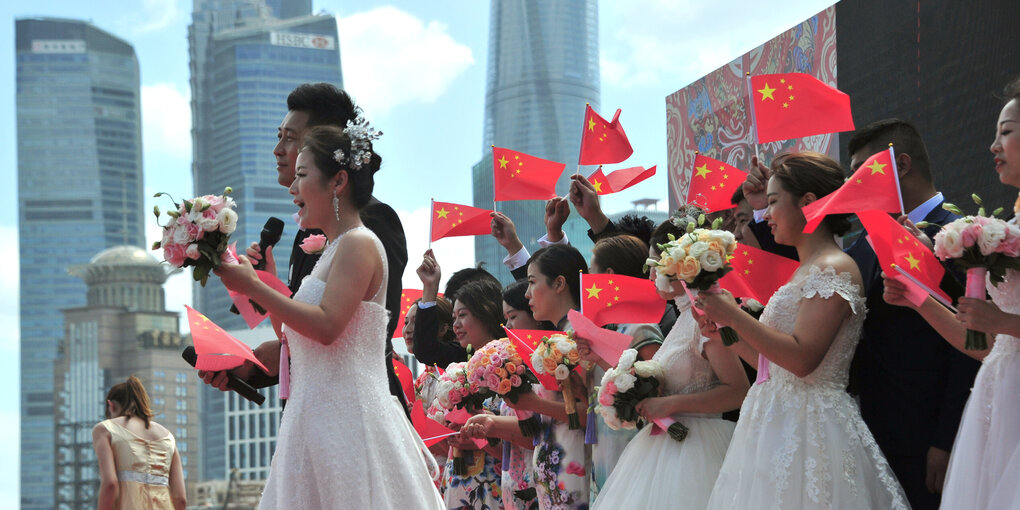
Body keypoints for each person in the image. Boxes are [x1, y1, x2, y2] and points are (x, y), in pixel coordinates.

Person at [215, 123, 443, 508]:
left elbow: (326, 327)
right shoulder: (336, 250)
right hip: (313, 424)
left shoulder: (359, 242)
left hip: (349, 424)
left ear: (338, 181)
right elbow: (293, 337)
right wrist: (266, 278)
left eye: (302, 176)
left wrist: (255, 286)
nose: (292, 188)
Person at [696, 152, 908, 509]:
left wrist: (734, 317)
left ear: (808, 203)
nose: (765, 215)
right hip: (773, 424)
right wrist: (724, 332)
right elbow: (771, 365)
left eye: (774, 203)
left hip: (813, 429)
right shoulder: (806, 268)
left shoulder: (834, 267)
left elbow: (802, 359)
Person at [206, 83, 409, 413]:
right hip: (309, 409)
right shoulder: (308, 231)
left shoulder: (372, 223)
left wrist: (255, 287)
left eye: (289, 138)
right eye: (279, 135)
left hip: (354, 411)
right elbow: (293, 334)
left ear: (324, 146)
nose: (278, 150)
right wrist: (247, 364)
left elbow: (363, 335)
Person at [882, 80, 1020, 510]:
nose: (993, 144)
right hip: (999, 398)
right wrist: (917, 296)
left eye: (1007, 131)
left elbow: (1001, 328)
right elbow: (986, 345)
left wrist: (1003, 323)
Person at [843, 118, 979, 509]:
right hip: (872, 432)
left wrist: (946, 438)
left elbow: (972, 345)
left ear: (901, 165)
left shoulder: (968, 238)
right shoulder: (862, 246)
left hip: (931, 439)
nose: (853, 187)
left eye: (862, 173)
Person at [591, 218, 748, 510]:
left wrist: (668, 404)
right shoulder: (683, 319)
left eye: (655, 263)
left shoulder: (705, 317)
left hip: (698, 448)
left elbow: (737, 390)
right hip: (665, 445)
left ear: (679, 264)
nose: (650, 274)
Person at [506, 244, 591, 510]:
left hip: (574, 470)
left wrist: (532, 403)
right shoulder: (556, 337)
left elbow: (590, 414)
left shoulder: (580, 337)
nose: (528, 293)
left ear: (559, 284)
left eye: (532, 282)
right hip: (554, 474)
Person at [436, 278, 507, 509]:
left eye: (463, 315)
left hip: (491, 486)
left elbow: (523, 438)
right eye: (454, 317)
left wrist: (478, 438)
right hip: (458, 485)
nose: (456, 324)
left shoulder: (509, 366)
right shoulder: (462, 370)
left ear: (485, 311)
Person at [92, 376, 186, 510]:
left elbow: (110, 484)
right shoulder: (168, 437)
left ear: (111, 406)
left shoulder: (105, 429)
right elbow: (180, 499)